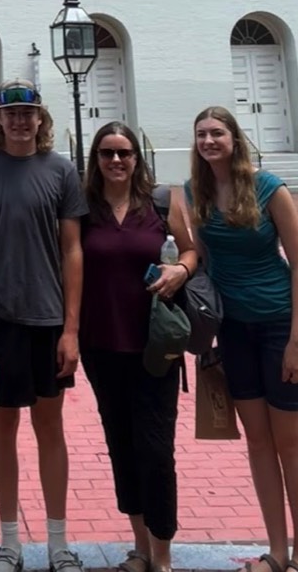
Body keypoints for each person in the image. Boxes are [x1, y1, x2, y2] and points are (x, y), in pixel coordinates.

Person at [0, 78, 87, 572]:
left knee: (50, 425)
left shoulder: (61, 170)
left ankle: (57, 541)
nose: (19, 120)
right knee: (3, 424)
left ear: (40, 118)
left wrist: (72, 328)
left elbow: (73, 250)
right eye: (10, 113)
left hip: (48, 317)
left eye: (27, 112)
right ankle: (9, 540)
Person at [185, 106, 298, 572]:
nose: (208, 141)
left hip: (280, 325)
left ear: (234, 138)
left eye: (217, 132)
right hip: (234, 331)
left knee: (290, 442)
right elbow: (198, 259)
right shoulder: (193, 194)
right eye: (201, 134)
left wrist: (297, 340)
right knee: (258, 442)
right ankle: (276, 552)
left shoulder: (268, 188)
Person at [79, 122, 198, 572]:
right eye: (107, 153)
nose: (115, 161)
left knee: (155, 447)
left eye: (124, 153)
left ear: (136, 158)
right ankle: (140, 547)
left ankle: (162, 555)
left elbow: (190, 251)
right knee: (121, 444)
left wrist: (181, 272)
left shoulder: (161, 202)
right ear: (96, 159)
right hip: (101, 345)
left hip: (154, 347)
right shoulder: (84, 209)